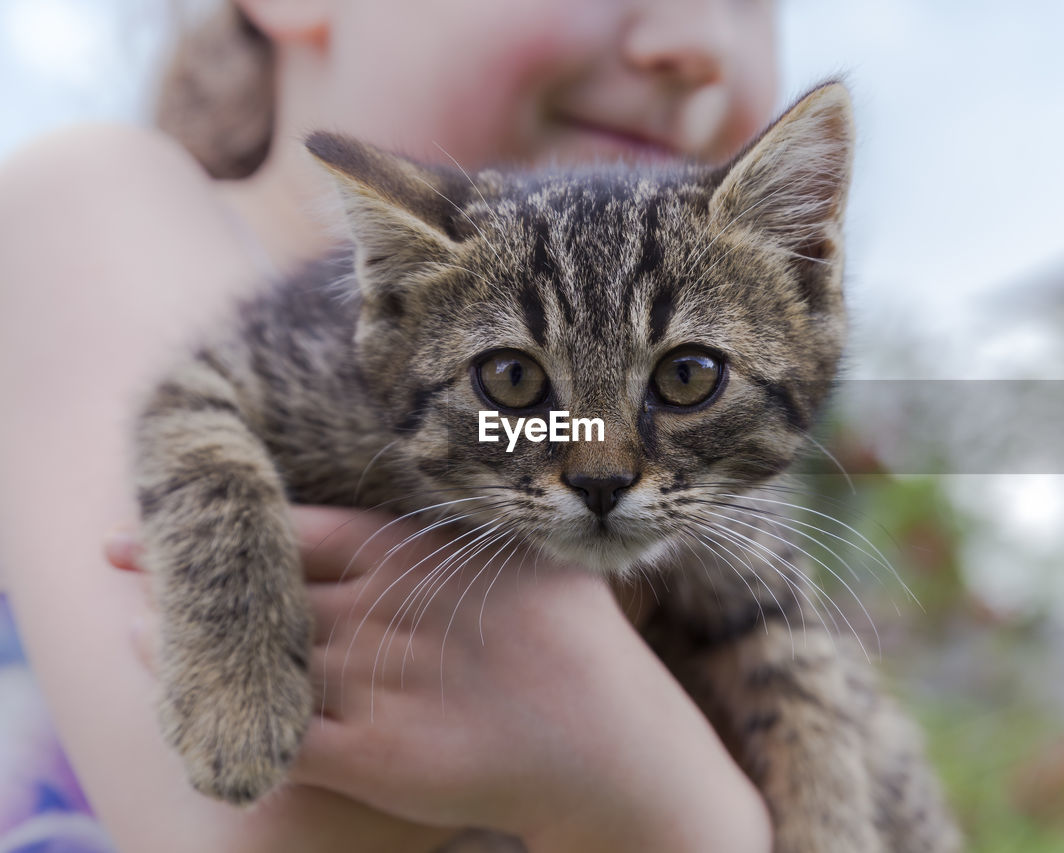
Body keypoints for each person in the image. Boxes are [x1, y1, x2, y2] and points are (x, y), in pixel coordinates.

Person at [0, 0, 783, 850]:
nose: (699, 42)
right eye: (515, 379)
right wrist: (666, 789)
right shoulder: (93, 196)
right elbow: (242, 828)